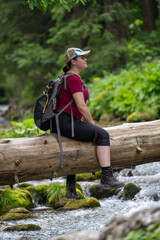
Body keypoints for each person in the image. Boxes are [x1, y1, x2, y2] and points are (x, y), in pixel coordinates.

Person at [42, 47, 124, 199]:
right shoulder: (73, 78)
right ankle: (106, 177)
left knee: (74, 146)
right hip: (66, 122)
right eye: (82, 57)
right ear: (73, 61)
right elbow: (81, 105)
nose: (86, 59)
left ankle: (70, 189)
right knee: (103, 134)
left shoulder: (65, 76)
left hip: (60, 122)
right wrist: (93, 125)